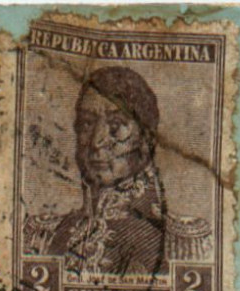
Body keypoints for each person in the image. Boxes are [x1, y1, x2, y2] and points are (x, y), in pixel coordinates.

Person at [23, 66, 212, 277]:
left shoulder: (185, 243)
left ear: (147, 139)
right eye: (87, 123)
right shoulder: (40, 236)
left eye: (116, 126)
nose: (96, 142)